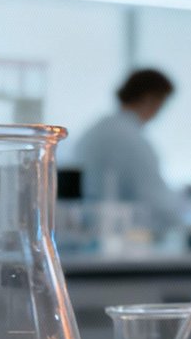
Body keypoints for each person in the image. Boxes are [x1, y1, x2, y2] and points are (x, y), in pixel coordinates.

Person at [69, 68, 183, 234]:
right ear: (150, 99)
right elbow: (159, 204)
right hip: (123, 238)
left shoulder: (92, 132)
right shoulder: (133, 140)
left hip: (87, 235)